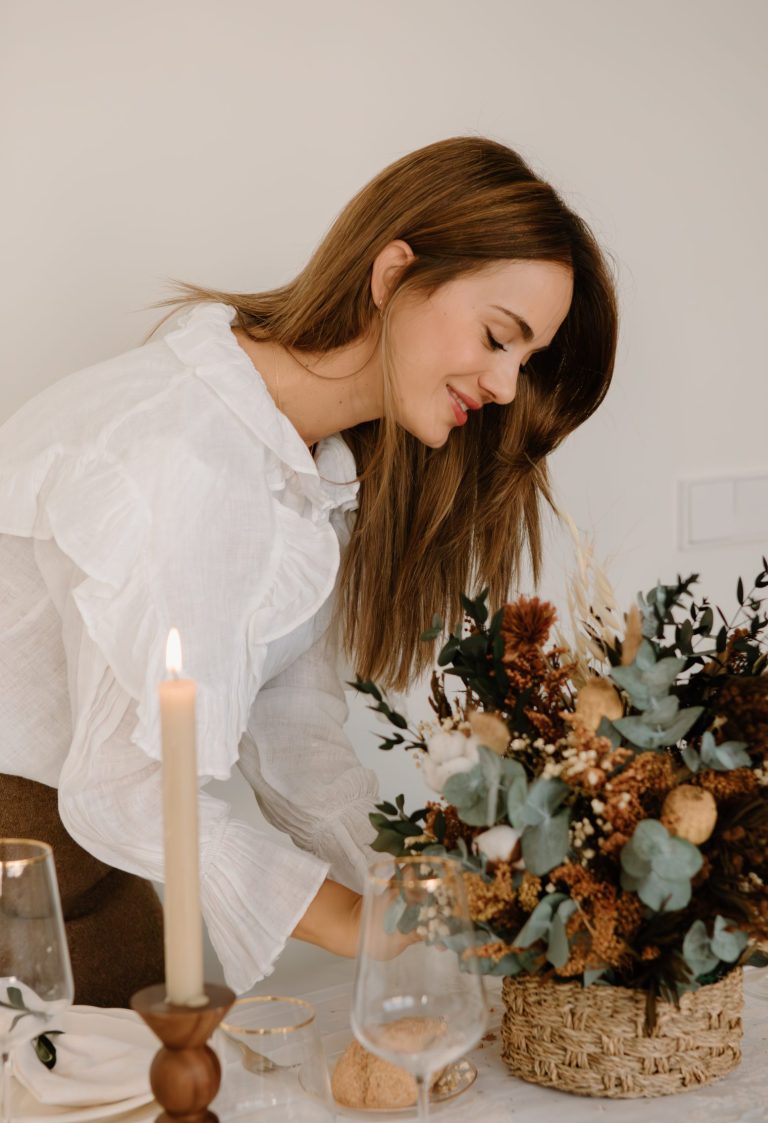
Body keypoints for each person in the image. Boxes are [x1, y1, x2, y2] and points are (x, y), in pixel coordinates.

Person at [0, 136, 617, 1006]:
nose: (509, 386)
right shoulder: (181, 448)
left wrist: (422, 896)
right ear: (394, 272)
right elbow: (120, 794)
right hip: (25, 874)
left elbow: (294, 732)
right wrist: (346, 921)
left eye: (525, 359)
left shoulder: (304, 471)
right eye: (497, 337)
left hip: (93, 893)